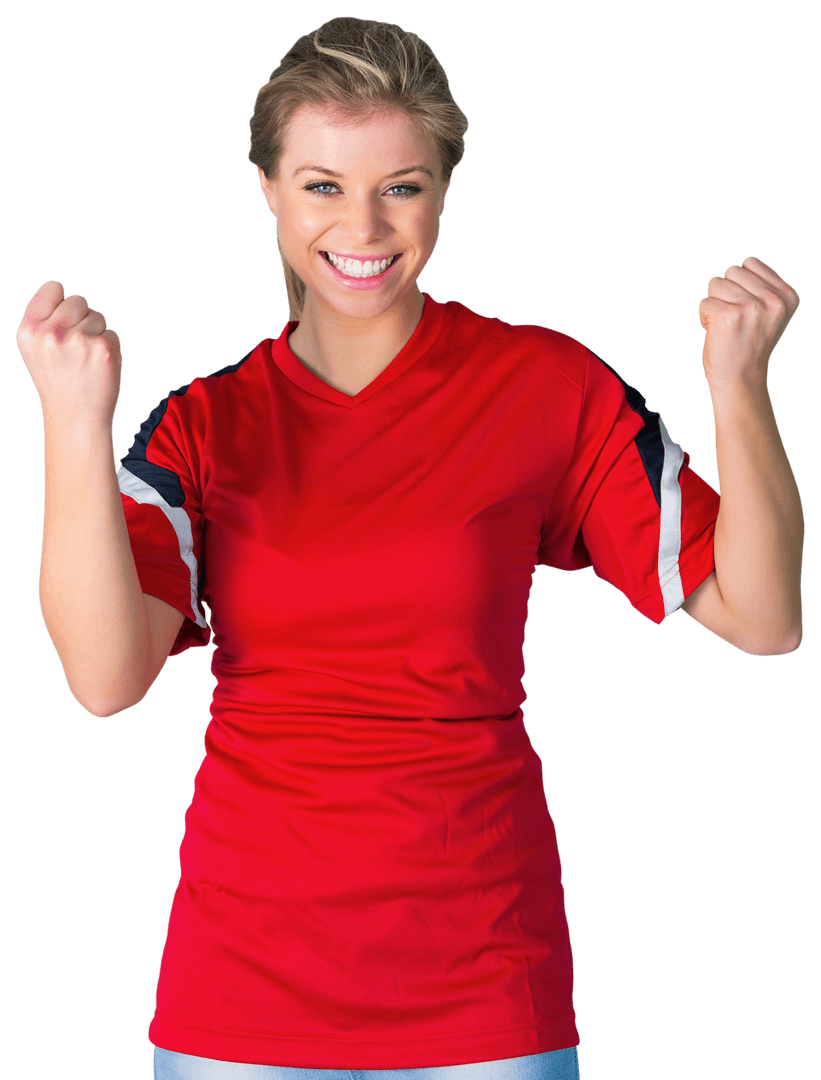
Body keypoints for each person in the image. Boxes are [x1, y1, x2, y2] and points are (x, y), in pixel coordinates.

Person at [16, 15, 804, 1080]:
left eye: (402, 183)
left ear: (441, 189)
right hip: (239, 989)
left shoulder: (545, 386)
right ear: (266, 190)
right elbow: (107, 682)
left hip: (483, 981)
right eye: (322, 184)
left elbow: (761, 616)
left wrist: (736, 385)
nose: (365, 223)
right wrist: (72, 426)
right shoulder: (202, 426)